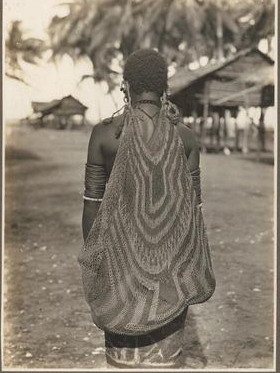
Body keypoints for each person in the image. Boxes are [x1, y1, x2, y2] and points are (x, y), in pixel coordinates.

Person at [79, 49, 215, 369]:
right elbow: (194, 210)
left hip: (119, 265)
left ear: (125, 86)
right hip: (171, 268)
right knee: (165, 363)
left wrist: (97, 261)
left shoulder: (104, 135)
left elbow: (92, 205)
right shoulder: (186, 137)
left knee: (122, 363)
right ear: (165, 87)